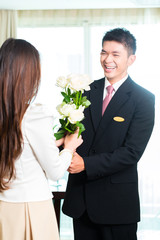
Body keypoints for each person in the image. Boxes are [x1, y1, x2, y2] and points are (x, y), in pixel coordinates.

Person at [62, 28, 155, 240]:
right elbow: (70, 134)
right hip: (81, 202)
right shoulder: (83, 92)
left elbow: (132, 152)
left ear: (131, 59)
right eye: (103, 53)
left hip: (117, 206)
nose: (107, 59)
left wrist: (86, 164)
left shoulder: (143, 99)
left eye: (115, 54)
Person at [0, 38, 83, 240]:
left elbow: (15, 147)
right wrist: (69, 147)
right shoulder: (34, 114)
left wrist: (51, 144)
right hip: (32, 206)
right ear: (29, 74)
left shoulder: (6, 112)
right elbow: (54, 171)